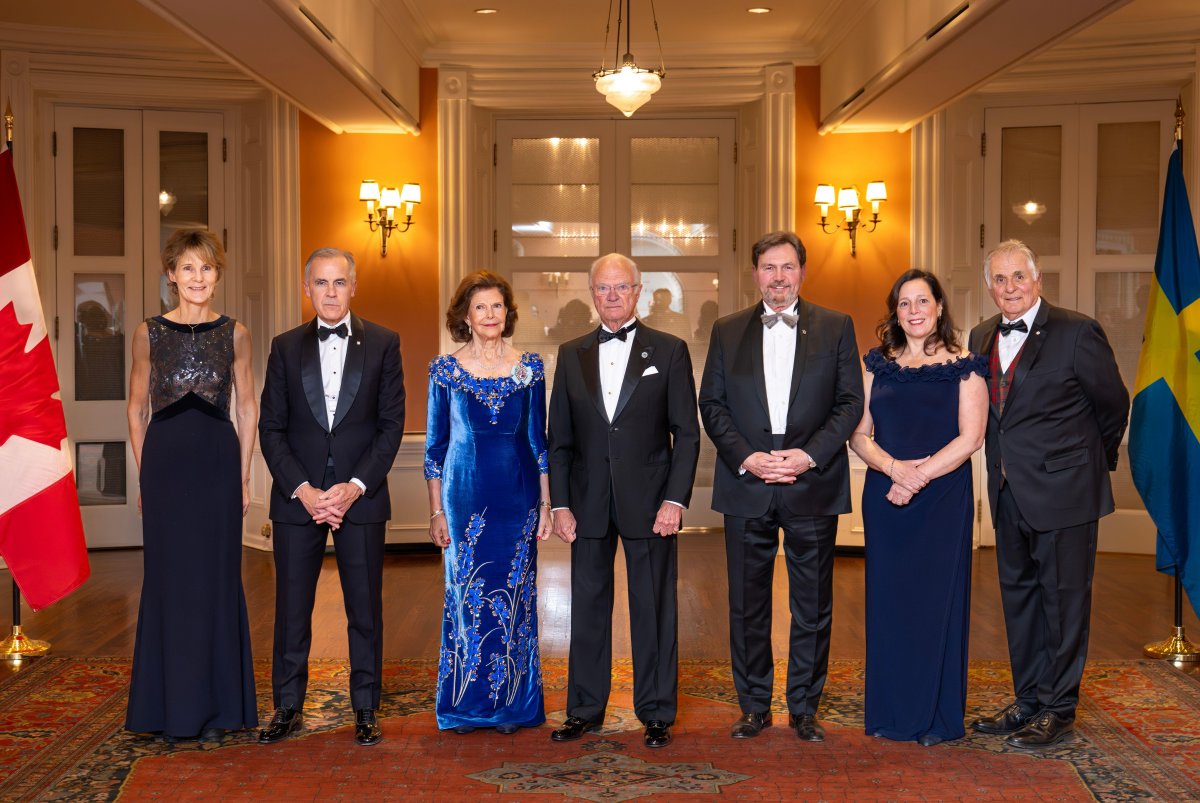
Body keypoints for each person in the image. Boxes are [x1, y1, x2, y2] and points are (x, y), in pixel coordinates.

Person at [698, 230, 863, 743]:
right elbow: (712, 404)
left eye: (787, 267)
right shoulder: (727, 330)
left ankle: (805, 708)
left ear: (802, 272)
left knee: (812, 604)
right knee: (747, 604)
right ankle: (753, 706)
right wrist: (747, 457)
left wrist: (807, 456)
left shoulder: (836, 326)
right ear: (755, 274)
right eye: (768, 267)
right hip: (747, 480)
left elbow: (850, 403)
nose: (778, 277)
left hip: (812, 480)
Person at [968, 239, 1129, 749]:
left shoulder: (1078, 332)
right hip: (1006, 492)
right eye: (1000, 279)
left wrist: (1087, 468)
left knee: (1063, 604)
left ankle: (1059, 709)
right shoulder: (980, 335)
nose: (1010, 287)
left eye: (1019, 276)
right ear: (989, 287)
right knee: (1019, 602)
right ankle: (1029, 700)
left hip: (1067, 494)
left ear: (1038, 280)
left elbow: (1113, 406)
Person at [547, 253, 700, 749]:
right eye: (602, 288)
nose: (611, 296)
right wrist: (560, 503)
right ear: (592, 294)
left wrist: (675, 500)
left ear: (637, 291)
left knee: (653, 607)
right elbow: (559, 439)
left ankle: (656, 712)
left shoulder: (670, 350)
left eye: (621, 287)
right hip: (586, 502)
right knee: (587, 610)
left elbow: (687, 434)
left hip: (652, 503)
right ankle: (584, 709)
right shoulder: (570, 354)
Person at [258, 248, 405, 747]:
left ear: (353, 286)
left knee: (364, 610)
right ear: (307, 289)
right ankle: (287, 707)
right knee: (291, 610)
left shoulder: (384, 343)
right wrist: (303, 490)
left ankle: (365, 707)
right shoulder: (284, 347)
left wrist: (354, 486)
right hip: (297, 499)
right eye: (320, 283)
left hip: (360, 498)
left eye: (339, 282)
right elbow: (271, 428)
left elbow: (391, 426)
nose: (330, 292)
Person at [125, 228, 258, 744]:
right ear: (171, 275)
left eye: (206, 268)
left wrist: (243, 476)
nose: (197, 277)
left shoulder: (236, 333)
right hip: (166, 466)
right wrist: (145, 474)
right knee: (169, 581)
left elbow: (246, 407)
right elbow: (136, 408)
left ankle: (222, 708)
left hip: (218, 465)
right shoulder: (148, 333)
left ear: (217, 275)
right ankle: (166, 707)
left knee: (217, 578)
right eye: (187, 268)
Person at [849, 269, 987, 747]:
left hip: (942, 500)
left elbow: (971, 438)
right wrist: (894, 470)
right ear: (895, 312)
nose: (914, 311)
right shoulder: (876, 365)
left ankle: (937, 718)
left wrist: (917, 477)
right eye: (904, 303)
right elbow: (858, 434)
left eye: (922, 301)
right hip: (886, 499)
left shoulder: (966, 366)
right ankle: (890, 712)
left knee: (936, 603)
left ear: (939, 306)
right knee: (890, 604)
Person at [425, 271, 552, 734]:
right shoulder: (445, 370)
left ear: (508, 312)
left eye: (497, 306)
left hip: (518, 498)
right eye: (480, 307)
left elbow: (539, 443)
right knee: (467, 597)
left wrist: (546, 505)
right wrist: (437, 511)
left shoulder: (529, 368)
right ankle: (466, 703)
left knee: (515, 597)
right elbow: (435, 449)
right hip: (464, 499)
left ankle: (513, 704)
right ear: (465, 316)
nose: (490, 314)